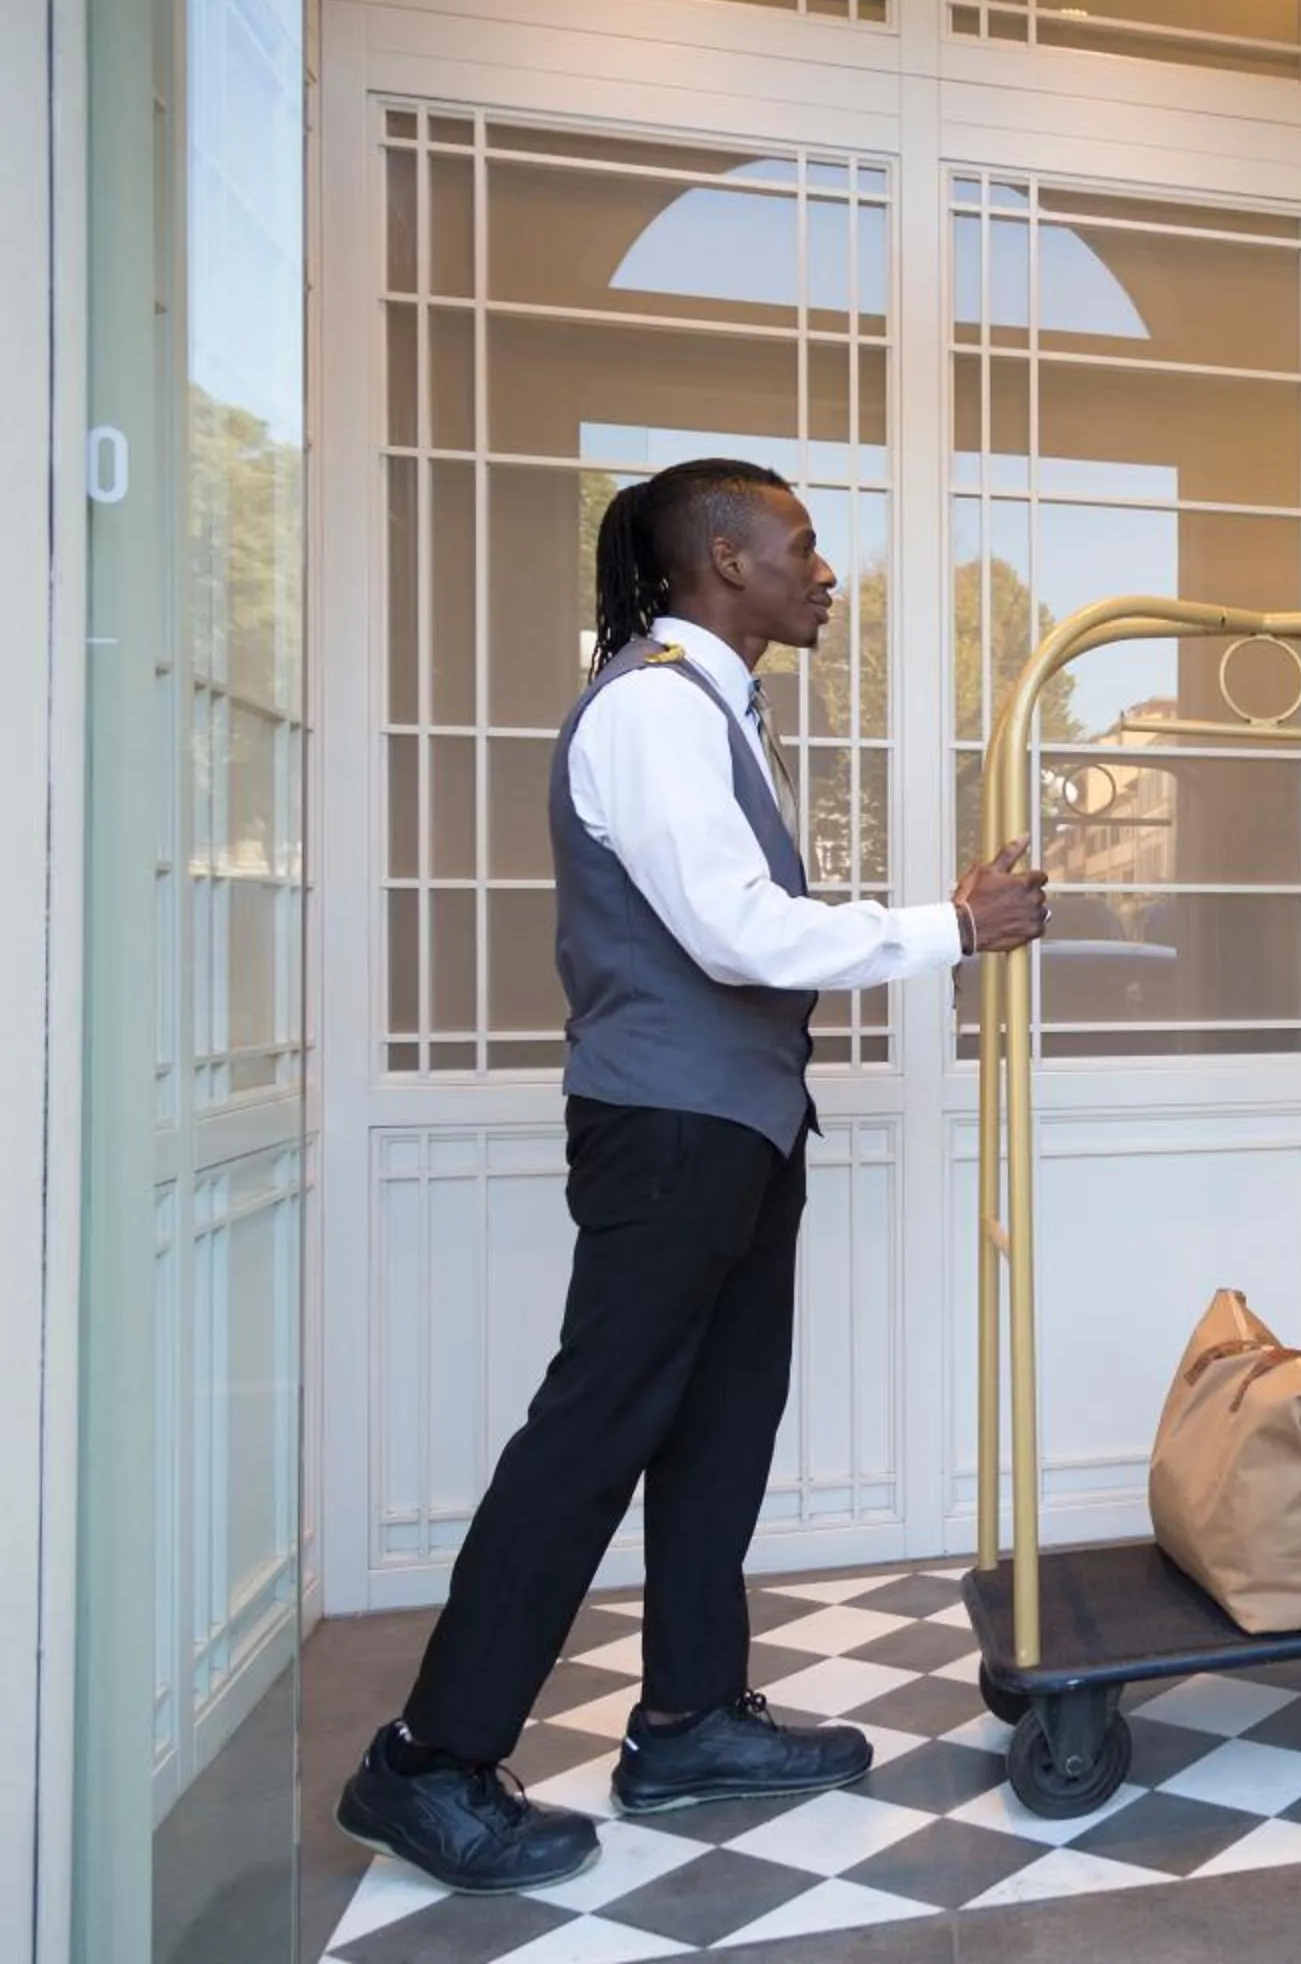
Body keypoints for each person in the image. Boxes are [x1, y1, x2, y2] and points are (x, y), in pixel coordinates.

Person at [335, 458, 1051, 1892]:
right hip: (668, 1136)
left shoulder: (710, 709)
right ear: (722, 561)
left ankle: (687, 1718)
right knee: (591, 1437)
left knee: (720, 1428)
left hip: (732, 1129)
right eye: (800, 546)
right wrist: (951, 929)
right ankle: (428, 1762)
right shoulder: (657, 710)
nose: (825, 571)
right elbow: (738, 934)